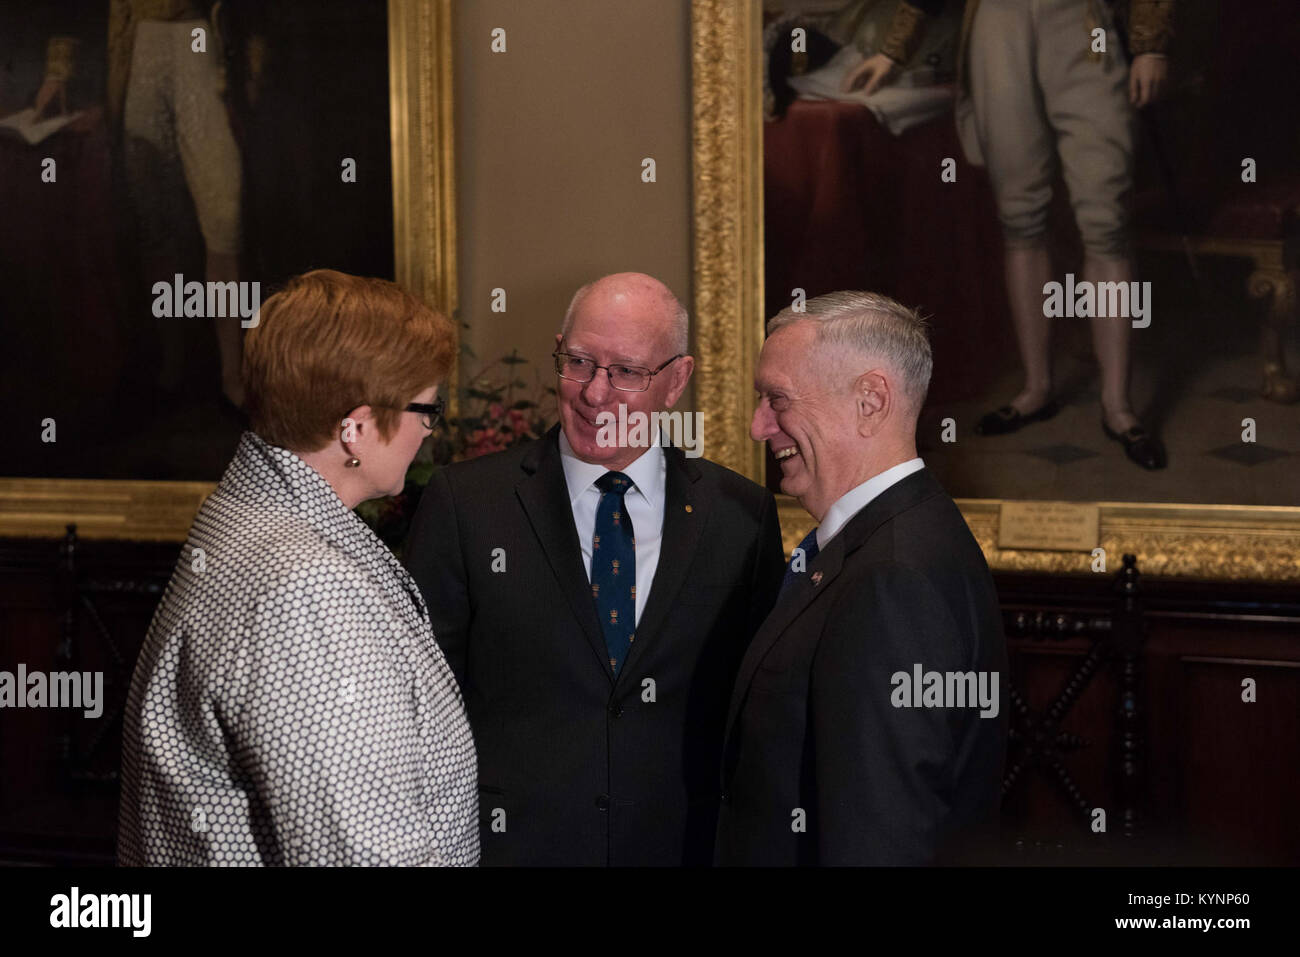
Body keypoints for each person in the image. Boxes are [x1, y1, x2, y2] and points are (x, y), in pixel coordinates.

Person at [404, 272, 786, 866]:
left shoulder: (741, 516)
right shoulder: (466, 504)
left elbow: (757, 714)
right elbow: (420, 709)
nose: (594, 394)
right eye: (578, 361)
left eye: (627, 372)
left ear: (676, 381)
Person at [118, 269, 479, 866]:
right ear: (355, 427)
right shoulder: (310, 592)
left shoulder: (246, 514)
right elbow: (364, 853)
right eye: (426, 408)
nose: (429, 430)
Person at [716, 291, 1007, 865]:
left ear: (870, 400)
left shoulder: (893, 579)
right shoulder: (895, 539)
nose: (758, 426)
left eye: (778, 399)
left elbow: (882, 837)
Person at [843, 0, 1176, 469]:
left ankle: (1117, 405)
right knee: (1020, 219)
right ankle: (1036, 388)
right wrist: (895, 51)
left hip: (1083, 28)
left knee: (1106, 226)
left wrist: (1150, 44)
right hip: (999, 27)